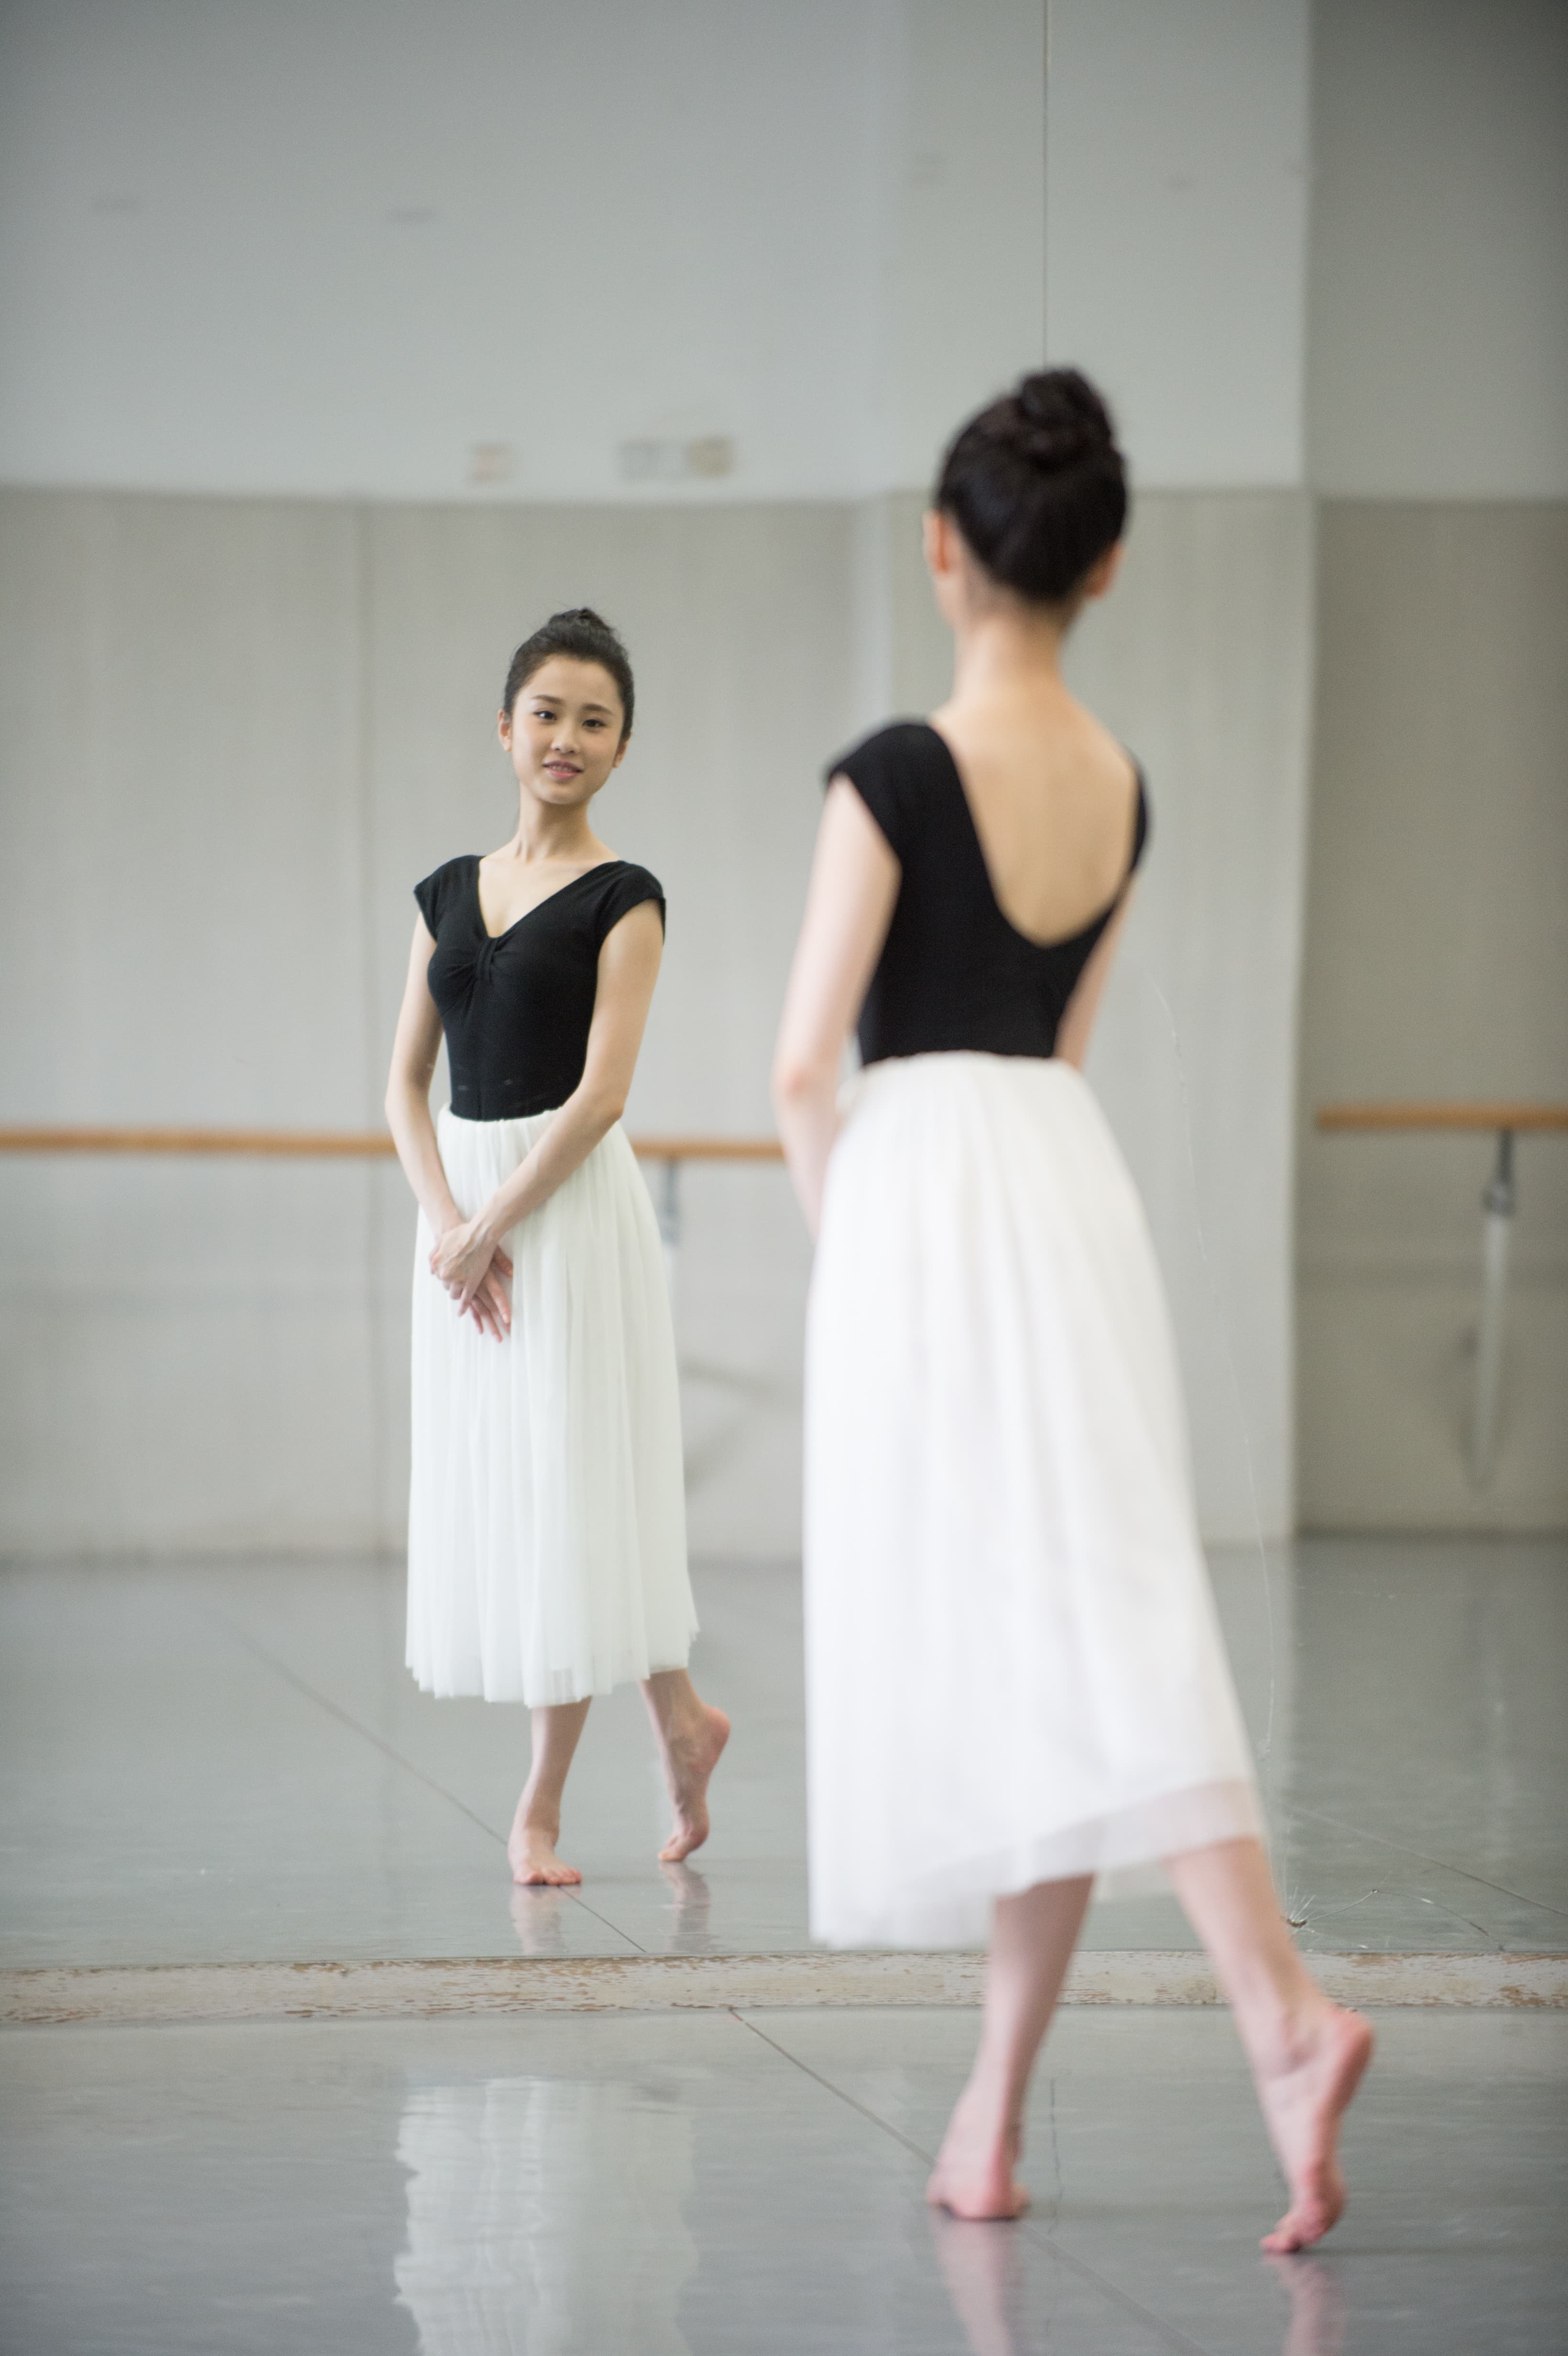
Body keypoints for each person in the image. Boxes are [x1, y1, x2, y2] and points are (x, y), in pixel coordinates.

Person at [772, 372, 1372, 2250]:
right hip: (1059, 1170)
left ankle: (1277, 2007)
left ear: (944, 548)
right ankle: (994, 2115)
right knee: (1080, 1622)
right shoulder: (1121, 783)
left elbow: (802, 1066)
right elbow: (1070, 1035)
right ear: (1102, 564)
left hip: (922, 1196)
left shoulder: (889, 773)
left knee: (1075, 1631)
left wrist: (850, 1238)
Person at [386, 608, 728, 1888]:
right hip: (463, 1230)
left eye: (596, 720)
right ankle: (685, 1725)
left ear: (622, 746)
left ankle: (538, 1809)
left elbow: (600, 1097)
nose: (567, 738)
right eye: (548, 712)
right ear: (505, 726)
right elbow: (402, 1089)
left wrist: (491, 1228)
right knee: (546, 1492)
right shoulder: (445, 895)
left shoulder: (623, 901)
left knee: (574, 1495)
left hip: (562, 1216)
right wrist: (444, 1229)